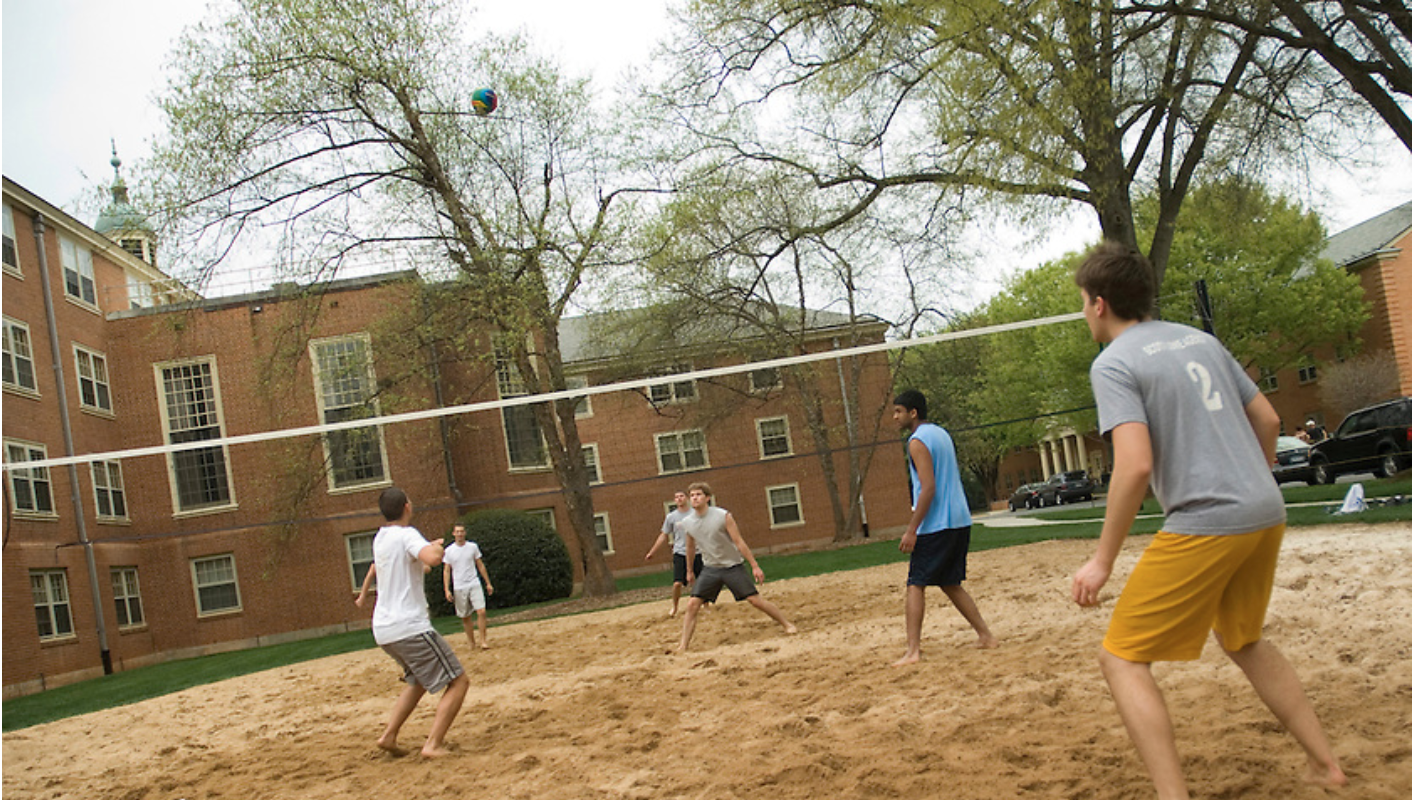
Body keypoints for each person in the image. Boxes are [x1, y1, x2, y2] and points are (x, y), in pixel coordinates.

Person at [1070, 241, 1346, 797]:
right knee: (1244, 639)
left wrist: (1102, 561)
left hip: (1206, 520)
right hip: (1264, 510)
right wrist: (1254, 476)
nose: (1083, 312)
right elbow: (1267, 418)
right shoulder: (1201, 340)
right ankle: (1327, 765)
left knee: (1121, 659)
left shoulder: (1114, 363)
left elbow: (1135, 465)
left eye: (1082, 302)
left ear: (1099, 305)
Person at [891, 389, 998, 666]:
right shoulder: (941, 434)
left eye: (898, 411)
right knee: (950, 582)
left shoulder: (917, 441)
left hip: (937, 524)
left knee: (916, 583)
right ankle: (986, 636)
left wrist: (912, 529)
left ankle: (913, 651)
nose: (895, 417)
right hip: (960, 519)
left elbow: (928, 489)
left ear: (913, 413)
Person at [365, 488, 469, 759]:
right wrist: (434, 547)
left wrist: (425, 549)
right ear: (407, 507)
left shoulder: (381, 538)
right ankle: (432, 745)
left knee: (418, 681)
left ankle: (388, 736)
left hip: (384, 629)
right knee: (458, 681)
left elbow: (415, 561)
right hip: (409, 626)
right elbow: (433, 559)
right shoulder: (406, 534)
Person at [675, 482, 796, 652]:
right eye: (692, 495)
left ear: (707, 498)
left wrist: (755, 566)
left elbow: (739, 541)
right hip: (710, 568)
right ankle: (683, 646)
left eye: (699, 494)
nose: (694, 498)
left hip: (732, 566)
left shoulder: (722, 516)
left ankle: (787, 624)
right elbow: (689, 547)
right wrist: (689, 570)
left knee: (755, 600)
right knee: (692, 605)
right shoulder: (687, 522)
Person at [643, 491, 701, 617]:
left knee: (701, 580)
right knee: (677, 583)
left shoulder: (695, 513)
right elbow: (664, 535)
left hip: (698, 552)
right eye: (676, 497)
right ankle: (675, 607)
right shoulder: (671, 517)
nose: (679, 499)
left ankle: (705, 606)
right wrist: (652, 551)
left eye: (681, 496)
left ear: (686, 498)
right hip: (680, 552)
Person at [443, 523, 495, 650]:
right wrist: (446, 589)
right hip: (459, 586)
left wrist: (488, 583)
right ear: (454, 534)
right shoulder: (449, 551)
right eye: (457, 532)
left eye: (462, 531)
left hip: (474, 583)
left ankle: (483, 641)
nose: (460, 534)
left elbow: (480, 565)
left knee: (481, 611)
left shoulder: (473, 547)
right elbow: (446, 570)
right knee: (465, 616)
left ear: (465, 533)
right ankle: (472, 642)